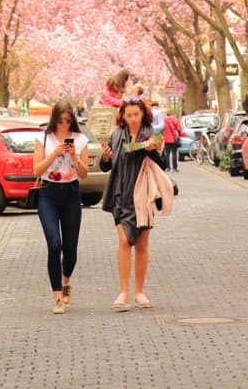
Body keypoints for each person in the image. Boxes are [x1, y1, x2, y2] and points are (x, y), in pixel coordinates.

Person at [100, 95, 166, 310]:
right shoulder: (117, 134)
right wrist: (106, 157)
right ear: (123, 116)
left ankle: (139, 291)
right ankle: (123, 292)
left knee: (142, 244)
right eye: (128, 115)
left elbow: (162, 163)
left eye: (135, 114)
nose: (132, 119)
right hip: (120, 193)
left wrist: (151, 151)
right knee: (124, 241)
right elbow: (105, 167)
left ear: (142, 114)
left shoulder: (152, 134)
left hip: (143, 194)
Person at [32, 100, 89, 314]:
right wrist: (54, 154)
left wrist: (73, 156)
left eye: (68, 121)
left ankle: (66, 281)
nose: (64, 125)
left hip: (71, 194)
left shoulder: (80, 140)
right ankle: (57, 296)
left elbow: (83, 174)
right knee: (54, 244)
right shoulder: (43, 138)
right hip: (48, 193)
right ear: (54, 119)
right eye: (60, 120)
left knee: (71, 250)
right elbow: (36, 170)